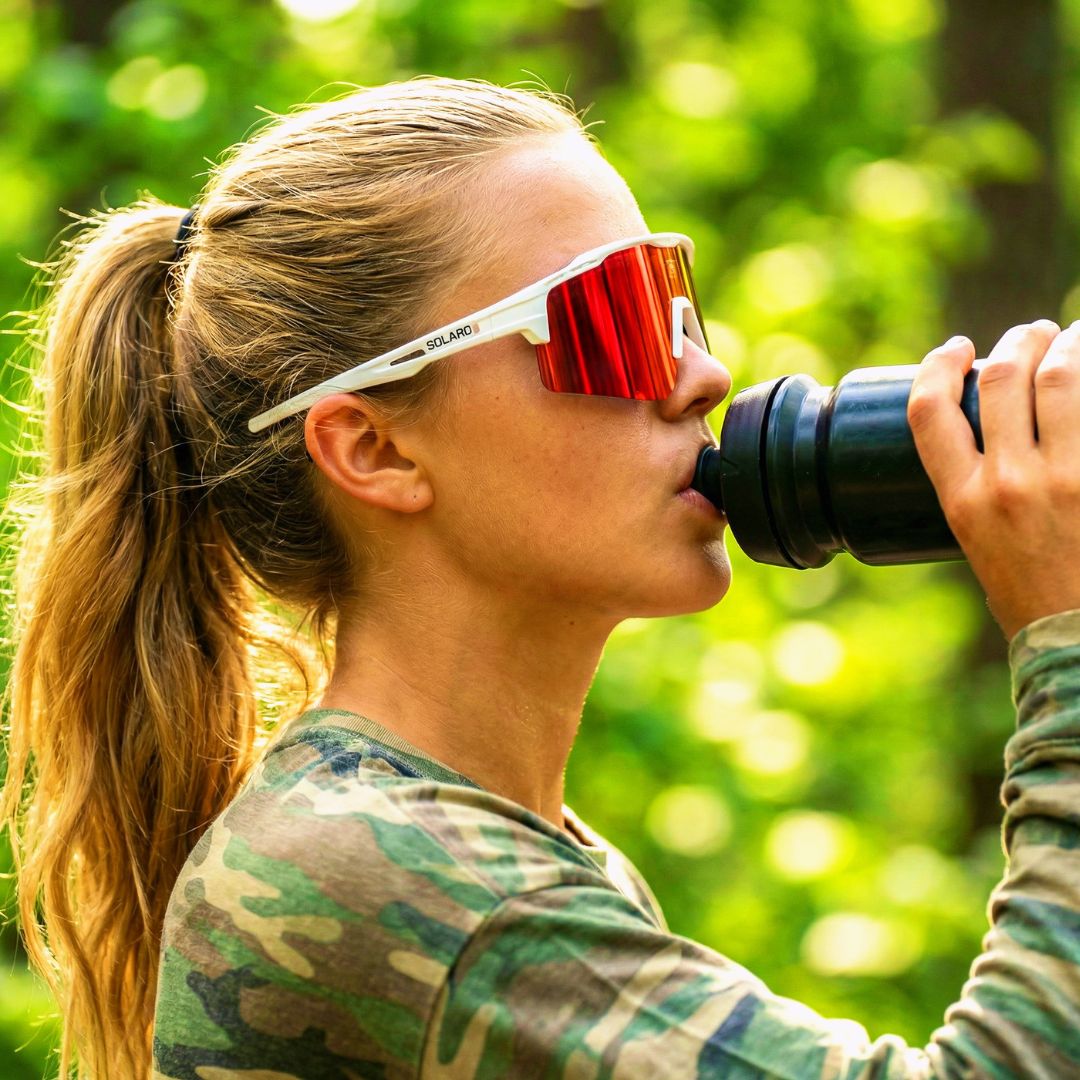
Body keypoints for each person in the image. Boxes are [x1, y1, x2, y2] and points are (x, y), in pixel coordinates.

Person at [3, 75, 1079, 1080]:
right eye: (609, 320)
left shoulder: (494, 851)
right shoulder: (382, 868)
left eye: (675, 304)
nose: (704, 373)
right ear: (374, 449)